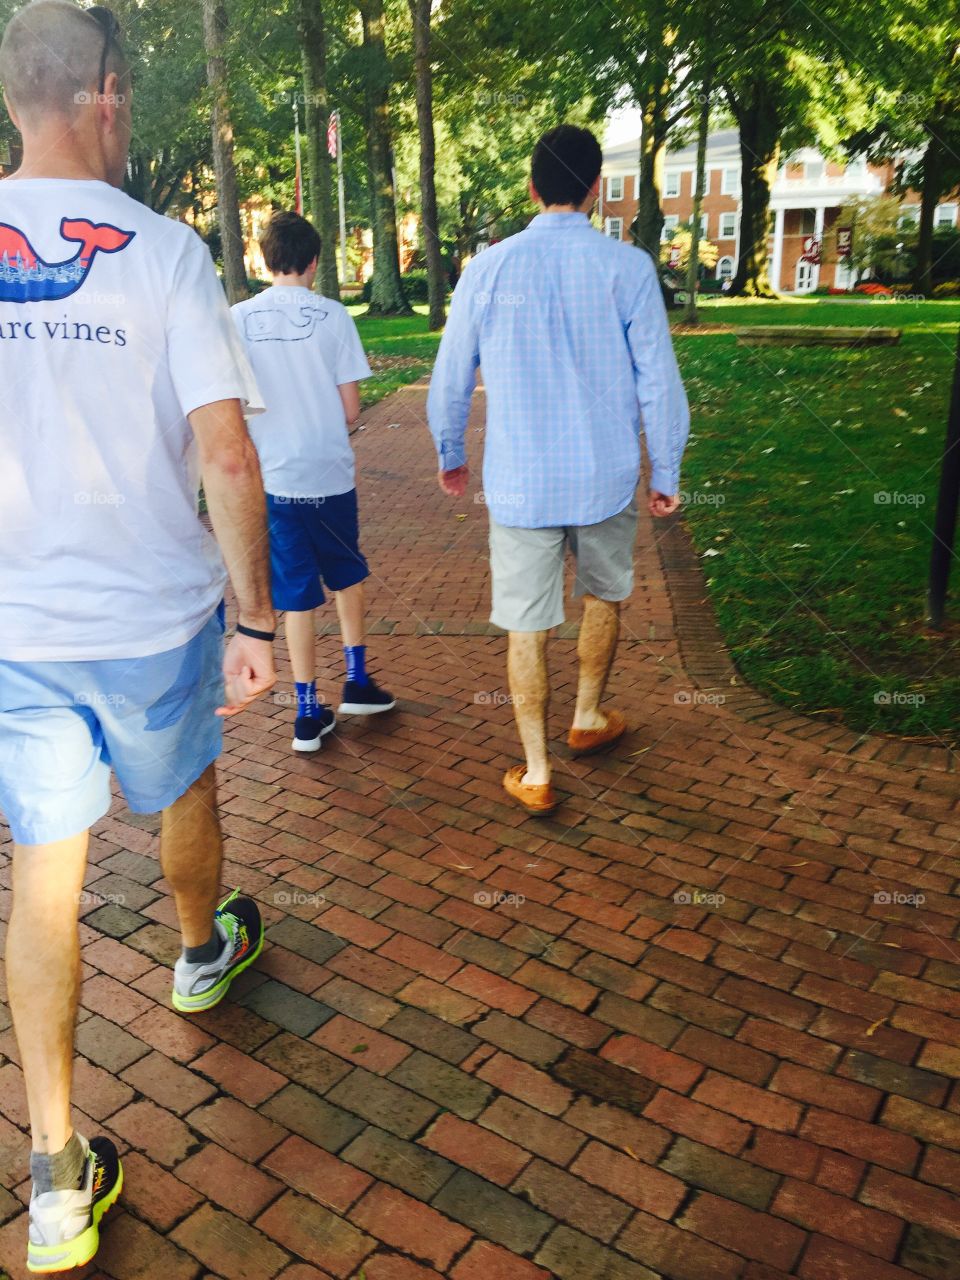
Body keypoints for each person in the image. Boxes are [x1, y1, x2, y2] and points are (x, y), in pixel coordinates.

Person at [0, 3, 276, 1271]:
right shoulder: (166, 253)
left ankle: (56, 1179)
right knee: (184, 789)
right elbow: (227, 450)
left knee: (41, 877)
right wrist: (257, 617)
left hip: (16, 631)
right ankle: (198, 949)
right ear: (105, 93)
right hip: (156, 613)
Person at [427, 124, 690, 817]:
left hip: (521, 479)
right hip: (604, 474)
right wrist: (666, 466)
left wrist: (450, 451)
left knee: (526, 622)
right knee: (605, 594)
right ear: (596, 189)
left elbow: (450, 374)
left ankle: (538, 768)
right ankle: (589, 714)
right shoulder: (627, 268)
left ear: (531, 187)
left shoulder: (486, 270)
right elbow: (658, 379)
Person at [232, 210, 395, 753]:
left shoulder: (237, 319)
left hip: (275, 479)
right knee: (347, 573)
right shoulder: (334, 316)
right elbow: (350, 408)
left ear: (264, 259)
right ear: (315, 261)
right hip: (329, 473)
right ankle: (357, 680)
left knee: (295, 593)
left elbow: (236, 404)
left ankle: (306, 711)